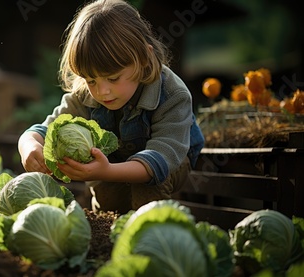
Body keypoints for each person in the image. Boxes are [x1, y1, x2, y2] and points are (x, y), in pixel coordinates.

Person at [17, 0, 204, 214]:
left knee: (148, 188)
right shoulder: (84, 94)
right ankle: (108, 235)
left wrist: (106, 170)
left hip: (171, 161)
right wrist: (29, 147)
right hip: (112, 163)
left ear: (144, 58)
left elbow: (161, 159)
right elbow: (42, 130)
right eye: (91, 80)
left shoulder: (172, 93)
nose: (102, 91)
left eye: (113, 78)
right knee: (107, 195)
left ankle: (147, 234)